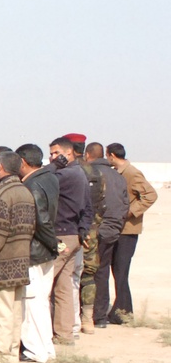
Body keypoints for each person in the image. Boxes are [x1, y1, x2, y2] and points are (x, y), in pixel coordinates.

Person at [0, 151, 36, 363]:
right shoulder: (25, 191)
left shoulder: (2, 194)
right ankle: (11, 352)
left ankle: (0, 355)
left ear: (1, 167)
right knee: (14, 311)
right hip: (21, 260)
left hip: (2, 262)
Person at [16, 144, 59, 363]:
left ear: (23, 162)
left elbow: (41, 220)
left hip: (35, 250)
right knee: (41, 301)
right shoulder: (50, 178)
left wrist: (53, 244)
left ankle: (35, 350)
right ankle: (46, 347)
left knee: (32, 302)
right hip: (46, 251)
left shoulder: (31, 185)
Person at [107, 143, 158, 324]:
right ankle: (122, 310)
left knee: (121, 271)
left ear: (112, 155)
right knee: (117, 270)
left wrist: (130, 212)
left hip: (128, 230)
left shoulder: (132, 173)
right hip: (119, 229)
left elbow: (150, 195)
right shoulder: (119, 173)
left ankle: (123, 312)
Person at [47, 137, 91, 345]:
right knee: (64, 287)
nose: (52, 157)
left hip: (62, 234)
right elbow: (88, 208)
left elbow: (42, 178)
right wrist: (82, 231)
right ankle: (64, 335)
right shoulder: (79, 173)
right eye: (51, 154)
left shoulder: (64, 174)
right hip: (73, 235)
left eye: (56, 153)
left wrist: (54, 166)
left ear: (69, 153)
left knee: (45, 285)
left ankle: (45, 336)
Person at [86, 144, 128, 328]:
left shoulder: (91, 173)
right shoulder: (118, 177)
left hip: (97, 230)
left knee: (89, 273)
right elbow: (124, 205)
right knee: (102, 272)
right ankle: (100, 317)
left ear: (88, 155)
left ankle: (92, 315)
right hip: (112, 230)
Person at [70, 135, 105, 335]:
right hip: (92, 228)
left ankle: (73, 320)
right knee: (89, 274)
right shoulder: (97, 173)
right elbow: (101, 203)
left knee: (69, 275)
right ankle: (87, 319)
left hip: (72, 229)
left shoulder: (70, 171)